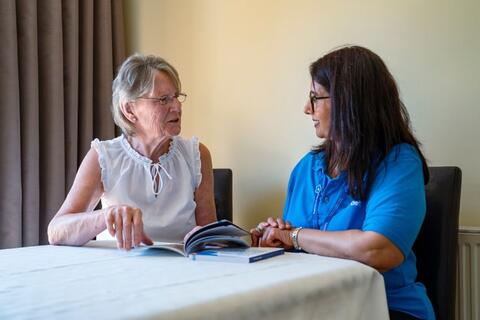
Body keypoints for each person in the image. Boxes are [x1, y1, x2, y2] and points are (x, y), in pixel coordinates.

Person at [250, 46, 435, 320]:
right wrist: (278, 241)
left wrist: (295, 236)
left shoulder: (398, 162)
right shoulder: (306, 168)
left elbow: (378, 249)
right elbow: (301, 246)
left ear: (348, 101)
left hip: (385, 307)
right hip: (316, 306)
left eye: (315, 97)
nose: (306, 108)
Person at [48, 54, 216, 250]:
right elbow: (56, 231)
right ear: (129, 110)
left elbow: (211, 236)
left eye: (176, 97)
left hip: (182, 270)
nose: (177, 106)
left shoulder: (197, 155)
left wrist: (219, 238)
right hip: (119, 272)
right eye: (163, 99)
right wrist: (105, 216)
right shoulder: (103, 156)